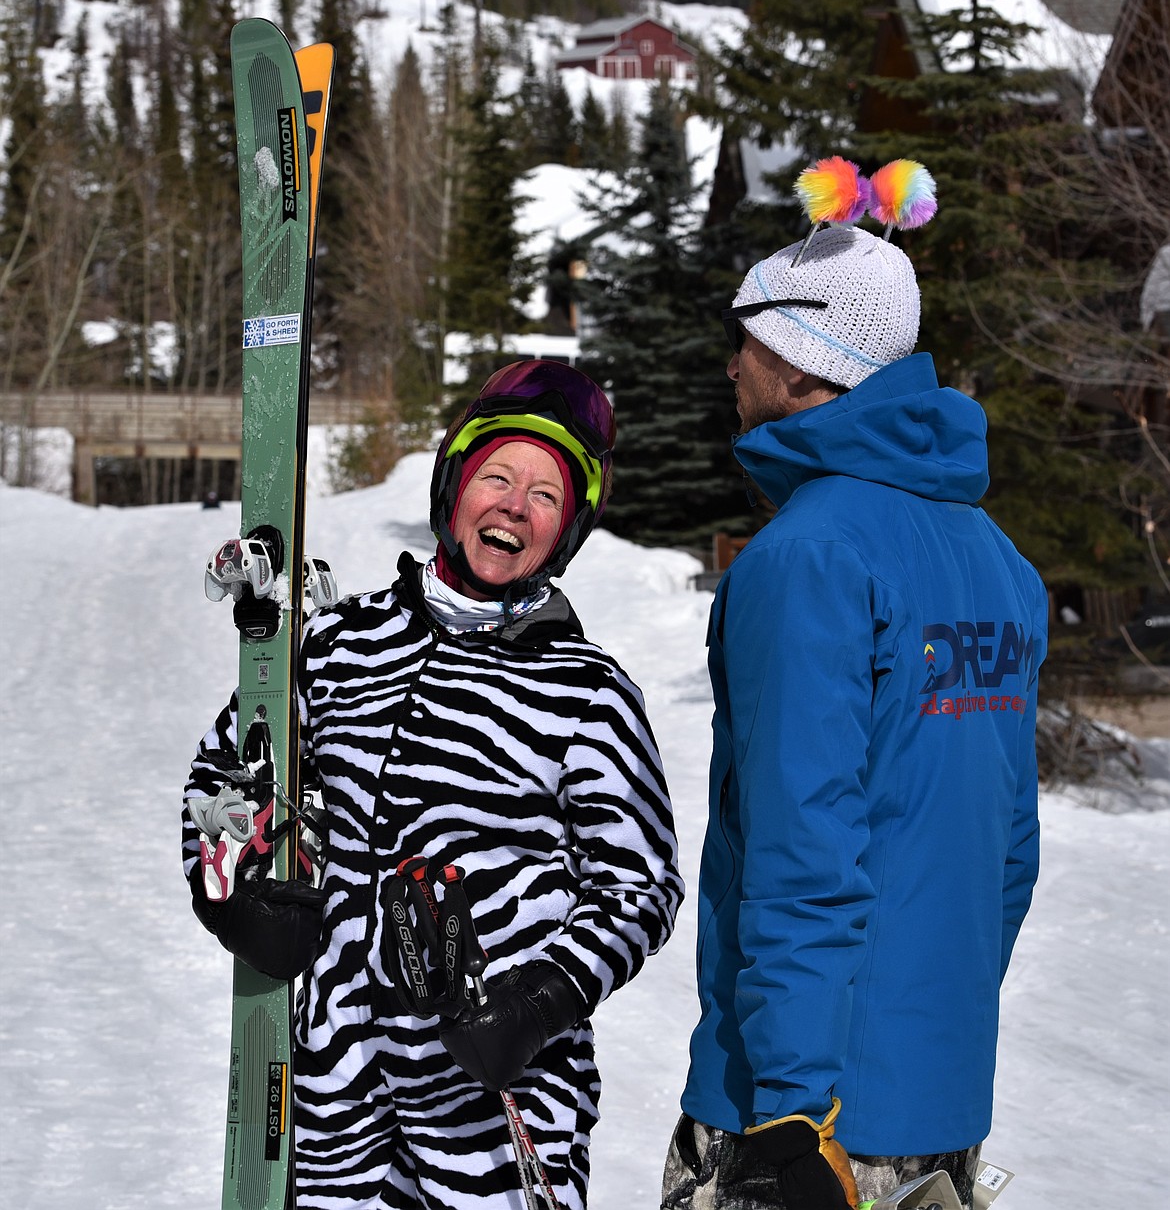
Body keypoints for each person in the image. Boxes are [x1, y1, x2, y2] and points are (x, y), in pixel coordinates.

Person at [183, 358, 683, 1210]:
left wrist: (538, 1001)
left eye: (546, 497)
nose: (515, 509)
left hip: (493, 1095)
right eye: (498, 477)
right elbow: (224, 769)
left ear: (566, 532)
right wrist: (229, 899)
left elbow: (640, 887)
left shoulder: (586, 690)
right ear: (454, 485)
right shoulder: (340, 642)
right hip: (334, 1090)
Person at [662, 223, 1048, 1210]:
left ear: (800, 363)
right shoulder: (999, 562)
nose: (730, 364)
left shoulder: (808, 558)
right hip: (939, 1113)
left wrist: (793, 1115)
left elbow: (804, 845)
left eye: (745, 338)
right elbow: (1008, 855)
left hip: (802, 1130)